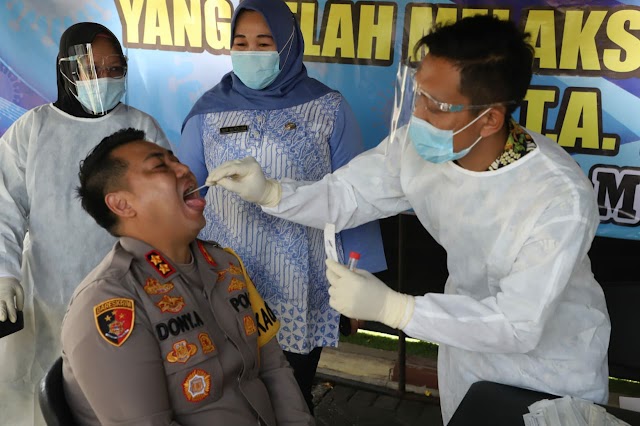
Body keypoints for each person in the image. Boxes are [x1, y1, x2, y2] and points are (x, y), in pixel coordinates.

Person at [204, 15, 611, 425]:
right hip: (466, 355)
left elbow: (518, 323)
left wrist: (395, 309)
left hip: (549, 371)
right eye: (419, 95)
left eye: (438, 105)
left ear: (490, 119)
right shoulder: (416, 149)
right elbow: (348, 194)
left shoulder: (558, 198)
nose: (418, 115)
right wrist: (272, 192)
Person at [175, 0, 386, 412]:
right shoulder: (207, 111)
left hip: (301, 278)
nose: (251, 52)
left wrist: (361, 278)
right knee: (227, 394)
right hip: (225, 278)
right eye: (241, 42)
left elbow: (356, 196)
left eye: (263, 42)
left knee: (290, 393)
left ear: (287, 45)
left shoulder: (328, 109)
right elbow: (186, 195)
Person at [62, 127, 313, 425]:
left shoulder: (226, 265)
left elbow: (273, 367)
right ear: (122, 204)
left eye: (176, 160)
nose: (184, 169)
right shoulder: (111, 302)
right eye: (160, 166)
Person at [0, 23, 170, 425]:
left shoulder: (142, 130)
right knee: (46, 396)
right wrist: (5, 274)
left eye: (115, 68)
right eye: (92, 68)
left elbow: (167, 212)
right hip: (48, 291)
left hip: (126, 292)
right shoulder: (33, 130)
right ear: (66, 69)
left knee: (119, 395)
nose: (105, 78)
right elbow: (4, 207)